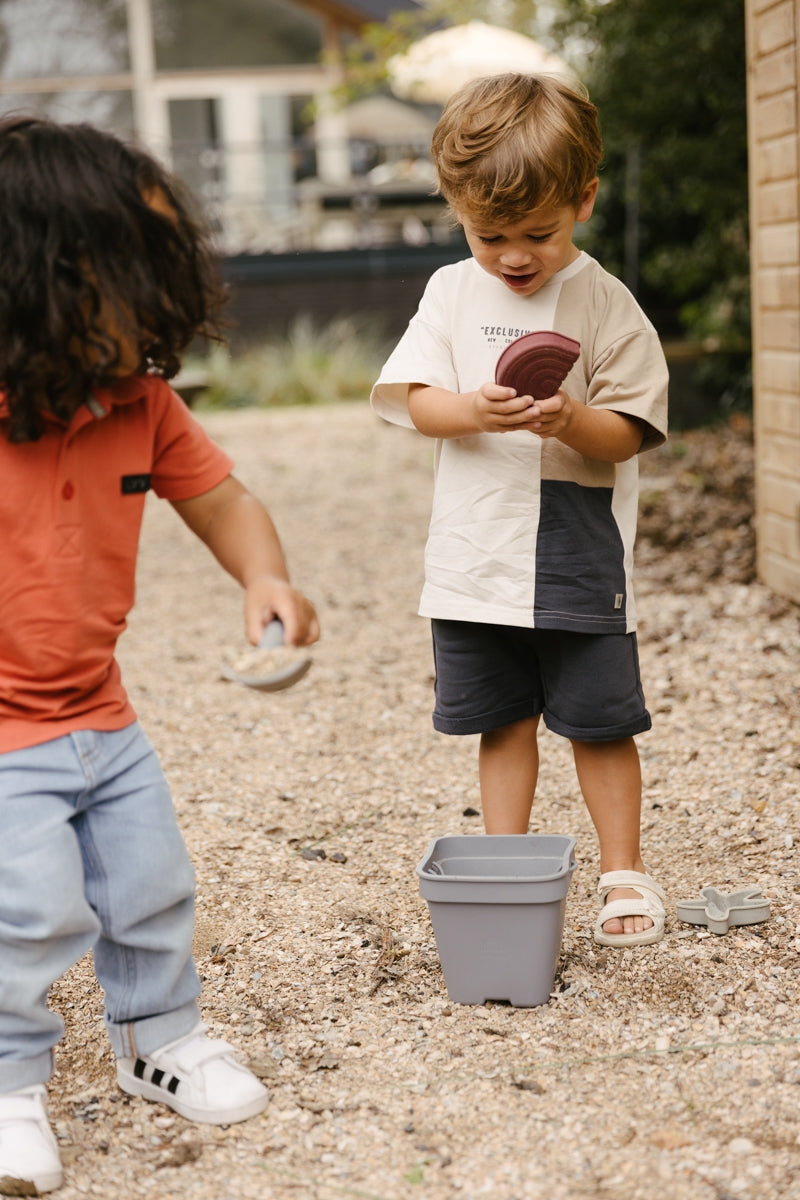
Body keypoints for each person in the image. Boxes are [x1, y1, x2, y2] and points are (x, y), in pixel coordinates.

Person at [0, 115, 319, 1194]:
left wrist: (264, 579)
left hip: (102, 713)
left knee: (149, 885)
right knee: (27, 908)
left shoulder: (140, 403)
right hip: (1, 730)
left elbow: (224, 499)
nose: (158, 305)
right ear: (44, 277)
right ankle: (4, 1084)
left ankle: (158, 1041)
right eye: (134, 278)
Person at [371, 74, 669, 954]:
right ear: (455, 209)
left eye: (537, 233)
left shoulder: (606, 302)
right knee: (501, 720)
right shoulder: (451, 293)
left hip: (577, 548)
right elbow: (413, 398)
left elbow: (632, 430)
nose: (512, 255)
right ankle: (507, 870)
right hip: (475, 555)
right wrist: (470, 409)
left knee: (601, 722)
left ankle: (623, 870)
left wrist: (574, 417)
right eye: (488, 233)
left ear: (583, 199)